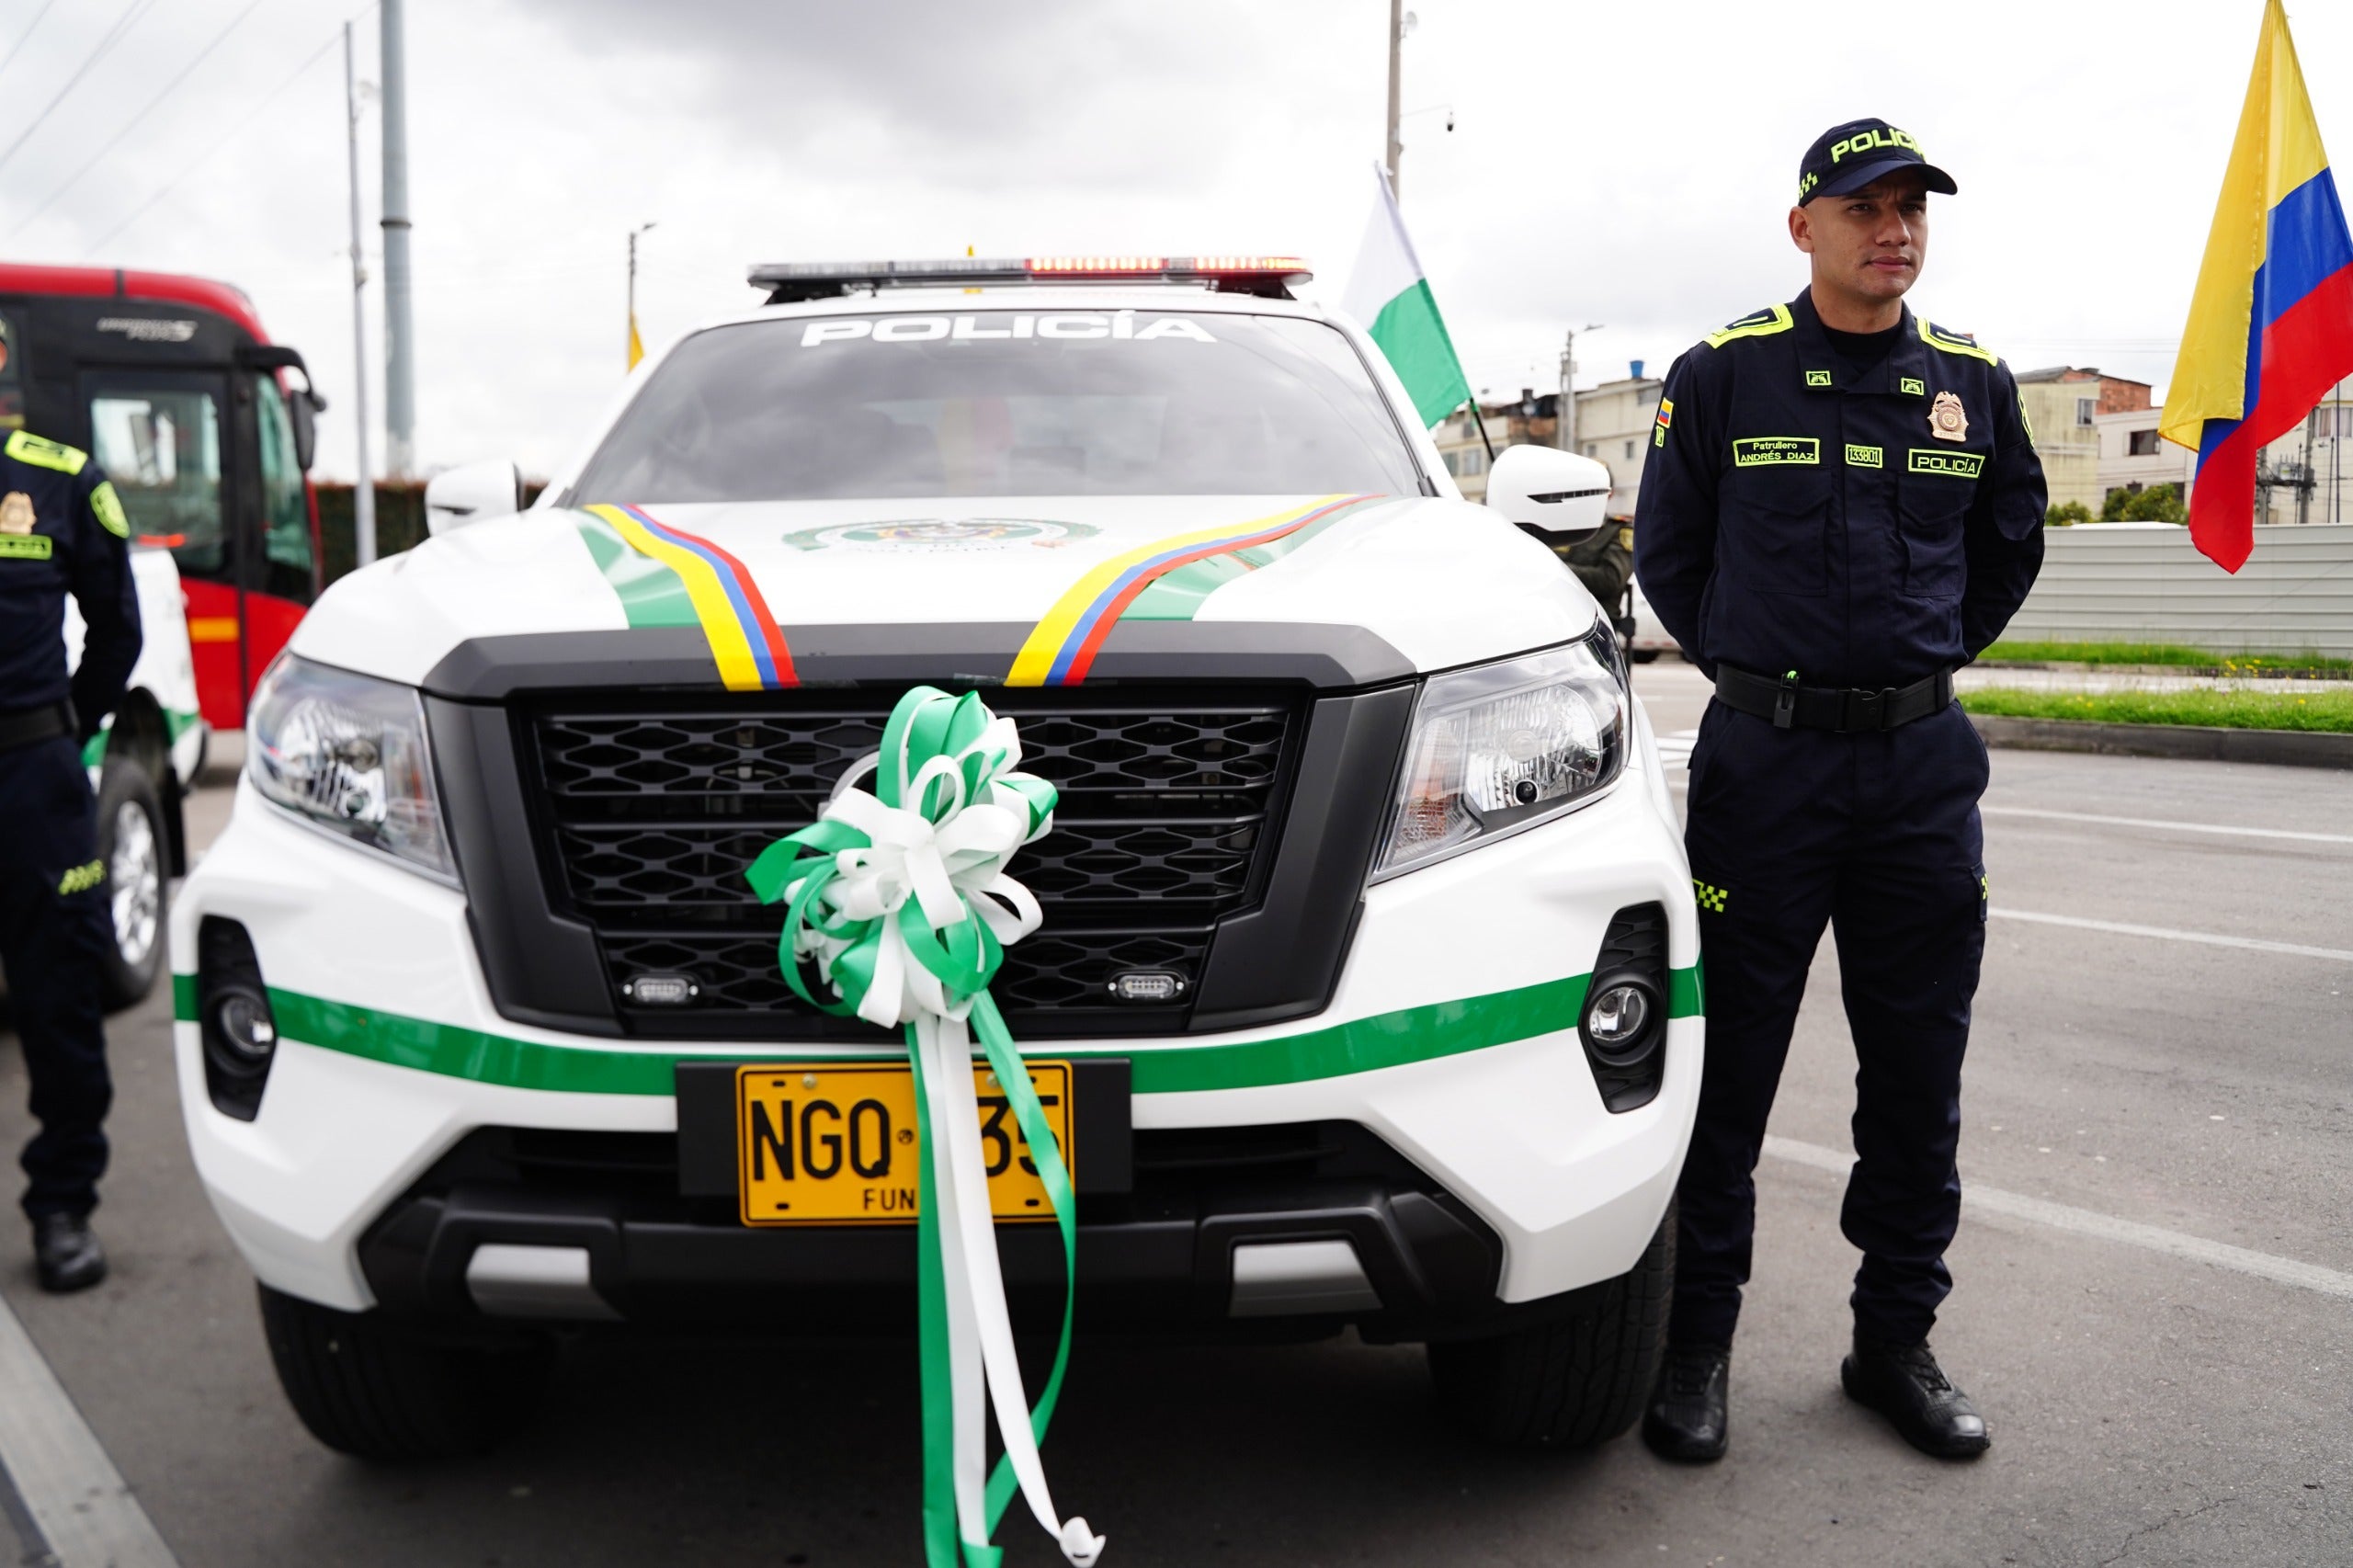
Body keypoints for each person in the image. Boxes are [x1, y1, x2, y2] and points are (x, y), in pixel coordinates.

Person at [1631, 118, 2046, 1461]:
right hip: (1769, 768)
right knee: (1729, 1072)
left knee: (1918, 1076)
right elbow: (1674, 561)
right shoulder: (1725, 374)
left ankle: (1893, 1342)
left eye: (1914, 206)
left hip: (1923, 771)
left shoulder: (1973, 383)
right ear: (1803, 225)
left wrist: (1912, 666)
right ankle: (1696, 1347)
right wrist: (1768, 671)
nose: (1897, 229)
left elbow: (2006, 549)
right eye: (1867, 205)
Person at [0, 426, 141, 1293]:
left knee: (59, 999)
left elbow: (115, 632)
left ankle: (62, 1206)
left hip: (33, 784)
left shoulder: (60, 481)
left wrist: (61, 733)